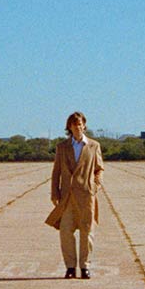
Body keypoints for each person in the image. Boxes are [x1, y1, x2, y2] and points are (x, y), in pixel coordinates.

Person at [47, 111, 105, 279]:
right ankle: (70, 267)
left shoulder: (94, 146)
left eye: (80, 124)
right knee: (65, 231)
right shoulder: (62, 147)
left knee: (87, 231)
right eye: (74, 125)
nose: (77, 127)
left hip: (86, 195)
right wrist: (54, 192)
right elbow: (56, 171)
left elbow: (99, 168)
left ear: (84, 126)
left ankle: (85, 266)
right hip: (66, 197)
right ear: (69, 127)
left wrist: (95, 185)